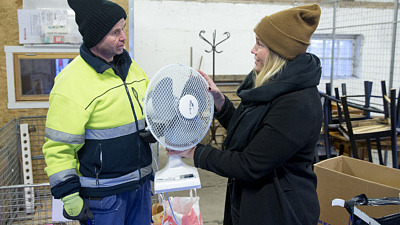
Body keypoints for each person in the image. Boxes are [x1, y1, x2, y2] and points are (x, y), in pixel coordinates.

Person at [168, 4, 322, 225]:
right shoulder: (273, 83)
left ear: (279, 51)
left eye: (260, 44)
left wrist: (193, 151)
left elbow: (249, 163)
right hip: (254, 201)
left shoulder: (296, 104)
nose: (252, 50)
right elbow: (251, 134)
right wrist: (219, 102)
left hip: (280, 210)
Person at [42, 0, 155, 224]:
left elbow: (149, 109)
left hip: (140, 188)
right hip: (104, 197)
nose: (123, 36)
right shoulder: (71, 83)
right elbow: (59, 147)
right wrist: (69, 196)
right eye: (115, 32)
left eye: (123, 28)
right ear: (95, 37)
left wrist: (153, 129)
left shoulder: (133, 70)